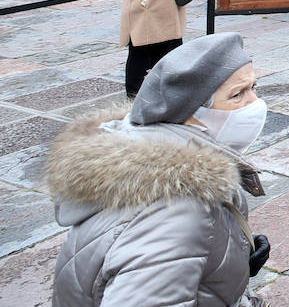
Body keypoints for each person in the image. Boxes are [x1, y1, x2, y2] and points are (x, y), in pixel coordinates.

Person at [49, 33, 271, 307]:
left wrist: (229, 263)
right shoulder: (177, 213)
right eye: (238, 94)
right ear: (192, 113)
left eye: (254, 87)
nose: (255, 104)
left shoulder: (149, 154)